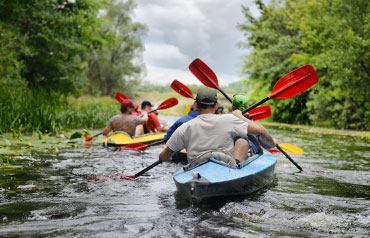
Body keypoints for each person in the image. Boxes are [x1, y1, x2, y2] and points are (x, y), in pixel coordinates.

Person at [159, 87, 277, 168]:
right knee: (241, 138)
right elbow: (260, 130)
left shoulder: (184, 127)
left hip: (196, 165)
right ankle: (238, 165)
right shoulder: (229, 119)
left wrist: (161, 156)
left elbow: (164, 157)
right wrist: (242, 118)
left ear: (195, 105)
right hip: (225, 163)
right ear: (216, 105)